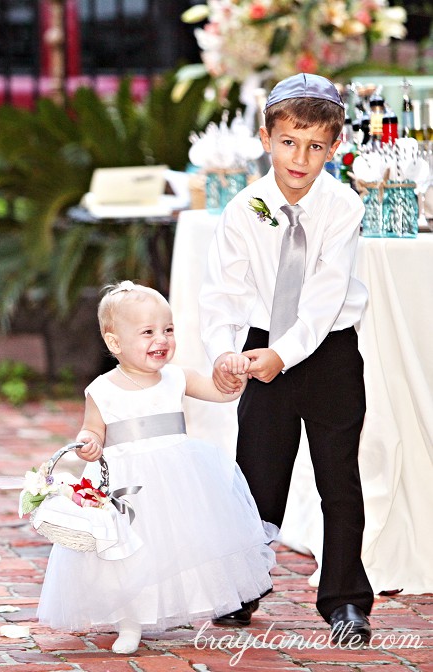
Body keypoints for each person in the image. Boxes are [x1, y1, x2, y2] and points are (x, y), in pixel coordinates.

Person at [199, 72, 373, 645]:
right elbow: (222, 293)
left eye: (316, 145)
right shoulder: (243, 210)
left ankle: (345, 599)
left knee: (338, 479)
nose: (301, 157)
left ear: (335, 146)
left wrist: (284, 355)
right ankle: (243, 588)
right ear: (267, 138)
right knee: (258, 475)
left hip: (327, 355)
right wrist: (226, 353)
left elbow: (323, 301)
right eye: (290, 141)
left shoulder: (343, 206)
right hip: (259, 345)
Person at [36, 281, 276, 654]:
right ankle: (129, 621)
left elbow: (221, 392)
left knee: (174, 544)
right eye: (147, 332)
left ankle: (169, 606)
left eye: (167, 329)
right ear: (115, 342)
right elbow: (92, 428)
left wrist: (234, 376)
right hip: (127, 488)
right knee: (129, 554)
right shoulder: (102, 389)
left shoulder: (177, 377)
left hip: (176, 478)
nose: (161, 339)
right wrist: (89, 441)